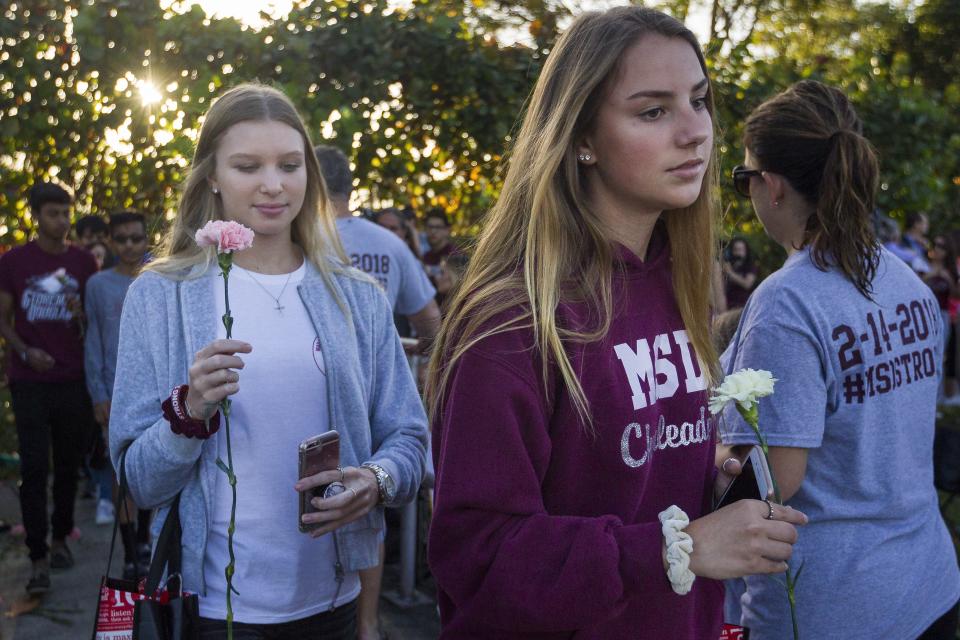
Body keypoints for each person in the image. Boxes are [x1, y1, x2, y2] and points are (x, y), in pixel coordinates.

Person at [425, 7, 806, 638]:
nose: (695, 132)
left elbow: (614, 479)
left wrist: (700, 478)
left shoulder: (672, 281)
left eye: (699, 100)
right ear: (580, 138)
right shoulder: (512, 323)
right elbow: (478, 557)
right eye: (653, 111)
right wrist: (674, 548)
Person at [109, 84, 427, 639]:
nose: (273, 185)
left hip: (334, 600)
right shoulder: (162, 295)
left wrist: (376, 481)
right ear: (211, 175)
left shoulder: (356, 297)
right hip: (214, 611)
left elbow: (409, 436)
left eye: (289, 164)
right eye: (247, 166)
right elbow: (139, 482)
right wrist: (188, 413)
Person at [721, 80, 960, 639]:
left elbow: (772, 483)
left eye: (743, 177)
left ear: (772, 186)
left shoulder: (787, 302)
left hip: (831, 609)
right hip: (928, 585)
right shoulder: (908, 283)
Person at [313, 143, 439, 640]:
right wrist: (418, 360)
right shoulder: (387, 243)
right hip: (378, 389)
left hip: (316, 382)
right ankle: (367, 627)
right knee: (365, 503)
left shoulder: (293, 238)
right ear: (349, 187)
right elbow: (431, 321)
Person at [0, 182, 99, 595]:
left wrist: (80, 319)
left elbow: (90, 325)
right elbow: (3, 319)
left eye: (66, 212)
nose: (61, 220)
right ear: (36, 216)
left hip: (73, 380)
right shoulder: (14, 262)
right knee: (35, 467)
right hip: (29, 382)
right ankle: (37, 557)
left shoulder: (82, 263)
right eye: (53, 213)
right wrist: (25, 352)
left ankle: (61, 540)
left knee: (68, 468)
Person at [84, 210, 153, 578]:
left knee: (153, 464)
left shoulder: (158, 278)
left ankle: (146, 538)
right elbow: (93, 340)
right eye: (122, 239)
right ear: (111, 242)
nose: (129, 245)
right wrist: (97, 393)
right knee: (120, 470)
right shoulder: (98, 285)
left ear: (146, 241)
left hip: (155, 390)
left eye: (136, 238)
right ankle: (129, 549)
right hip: (114, 390)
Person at [421, 209, 459, 284]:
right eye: (430, 227)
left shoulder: (455, 255)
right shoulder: (426, 256)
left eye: (438, 227)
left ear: (447, 230)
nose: (433, 231)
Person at [721, 237, 757, 309]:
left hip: (742, 306)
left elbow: (747, 284)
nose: (738, 253)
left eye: (741, 250)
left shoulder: (750, 266)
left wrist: (730, 273)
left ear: (746, 251)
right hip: (727, 305)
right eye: (736, 250)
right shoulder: (729, 265)